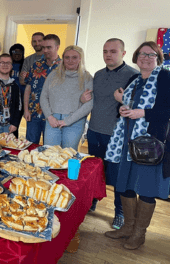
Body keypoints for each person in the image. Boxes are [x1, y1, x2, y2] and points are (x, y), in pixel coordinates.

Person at [104, 41, 170, 250]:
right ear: (135, 57)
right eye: (142, 54)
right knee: (125, 184)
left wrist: (143, 113)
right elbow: (128, 108)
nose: (145, 57)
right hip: (126, 141)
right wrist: (122, 105)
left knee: (146, 188)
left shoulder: (165, 78)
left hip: (150, 144)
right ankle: (127, 227)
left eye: (151, 54)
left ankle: (139, 234)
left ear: (158, 58)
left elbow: (166, 110)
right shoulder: (134, 79)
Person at [83, 38, 139, 229]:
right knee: (93, 172)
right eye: (105, 51)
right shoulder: (97, 75)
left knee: (116, 177)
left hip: (117, 136)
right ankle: (92, 201)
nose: (108, 55)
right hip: (94, 131)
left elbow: (139, 107)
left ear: (123, 53)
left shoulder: (133, 75)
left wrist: (124, 101)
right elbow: (91, 100)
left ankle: (120, 213)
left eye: (113, 51)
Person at [40, 45, 93, 150]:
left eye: (74, 57)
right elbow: (43, 97)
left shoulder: (87, 78)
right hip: (52, 121)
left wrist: (67, 121)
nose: (70, 60)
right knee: (49, 153)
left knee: (69, 154)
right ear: (63, 58)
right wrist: (49, 117)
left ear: (80, 59)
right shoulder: (53, 75)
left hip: (74, 122)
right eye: (67, 57)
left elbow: (89, 104)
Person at [23, 34, 61, 144]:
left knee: (50, 147)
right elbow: (28, 88)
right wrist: (26, 110)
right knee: (30, 145)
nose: (45, 50)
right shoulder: (36, 65)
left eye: (49, 47)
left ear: (57, 47)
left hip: (53, 115)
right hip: (34, 113)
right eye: (44, 47)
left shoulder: (63, 67)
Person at [10, 43, 25, 138]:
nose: (17, 54)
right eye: (14, 52)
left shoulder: (25, 65)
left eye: (20, 52)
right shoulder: (7, 64)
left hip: (21, 100)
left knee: (15, 125)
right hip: (8, 100)